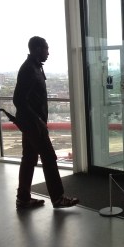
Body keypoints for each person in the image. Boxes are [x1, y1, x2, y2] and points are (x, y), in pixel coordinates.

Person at [13, 36, 78, 208]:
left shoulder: (35, 67)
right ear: (37, 49)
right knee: (49, 157)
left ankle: (23, 198)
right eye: (46, 49)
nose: (48, 53)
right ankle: (58, 198)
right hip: (34, 124)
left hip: (31, 124)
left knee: (29, 158)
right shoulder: (29, 69)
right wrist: (38, 120)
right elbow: (18, 100)